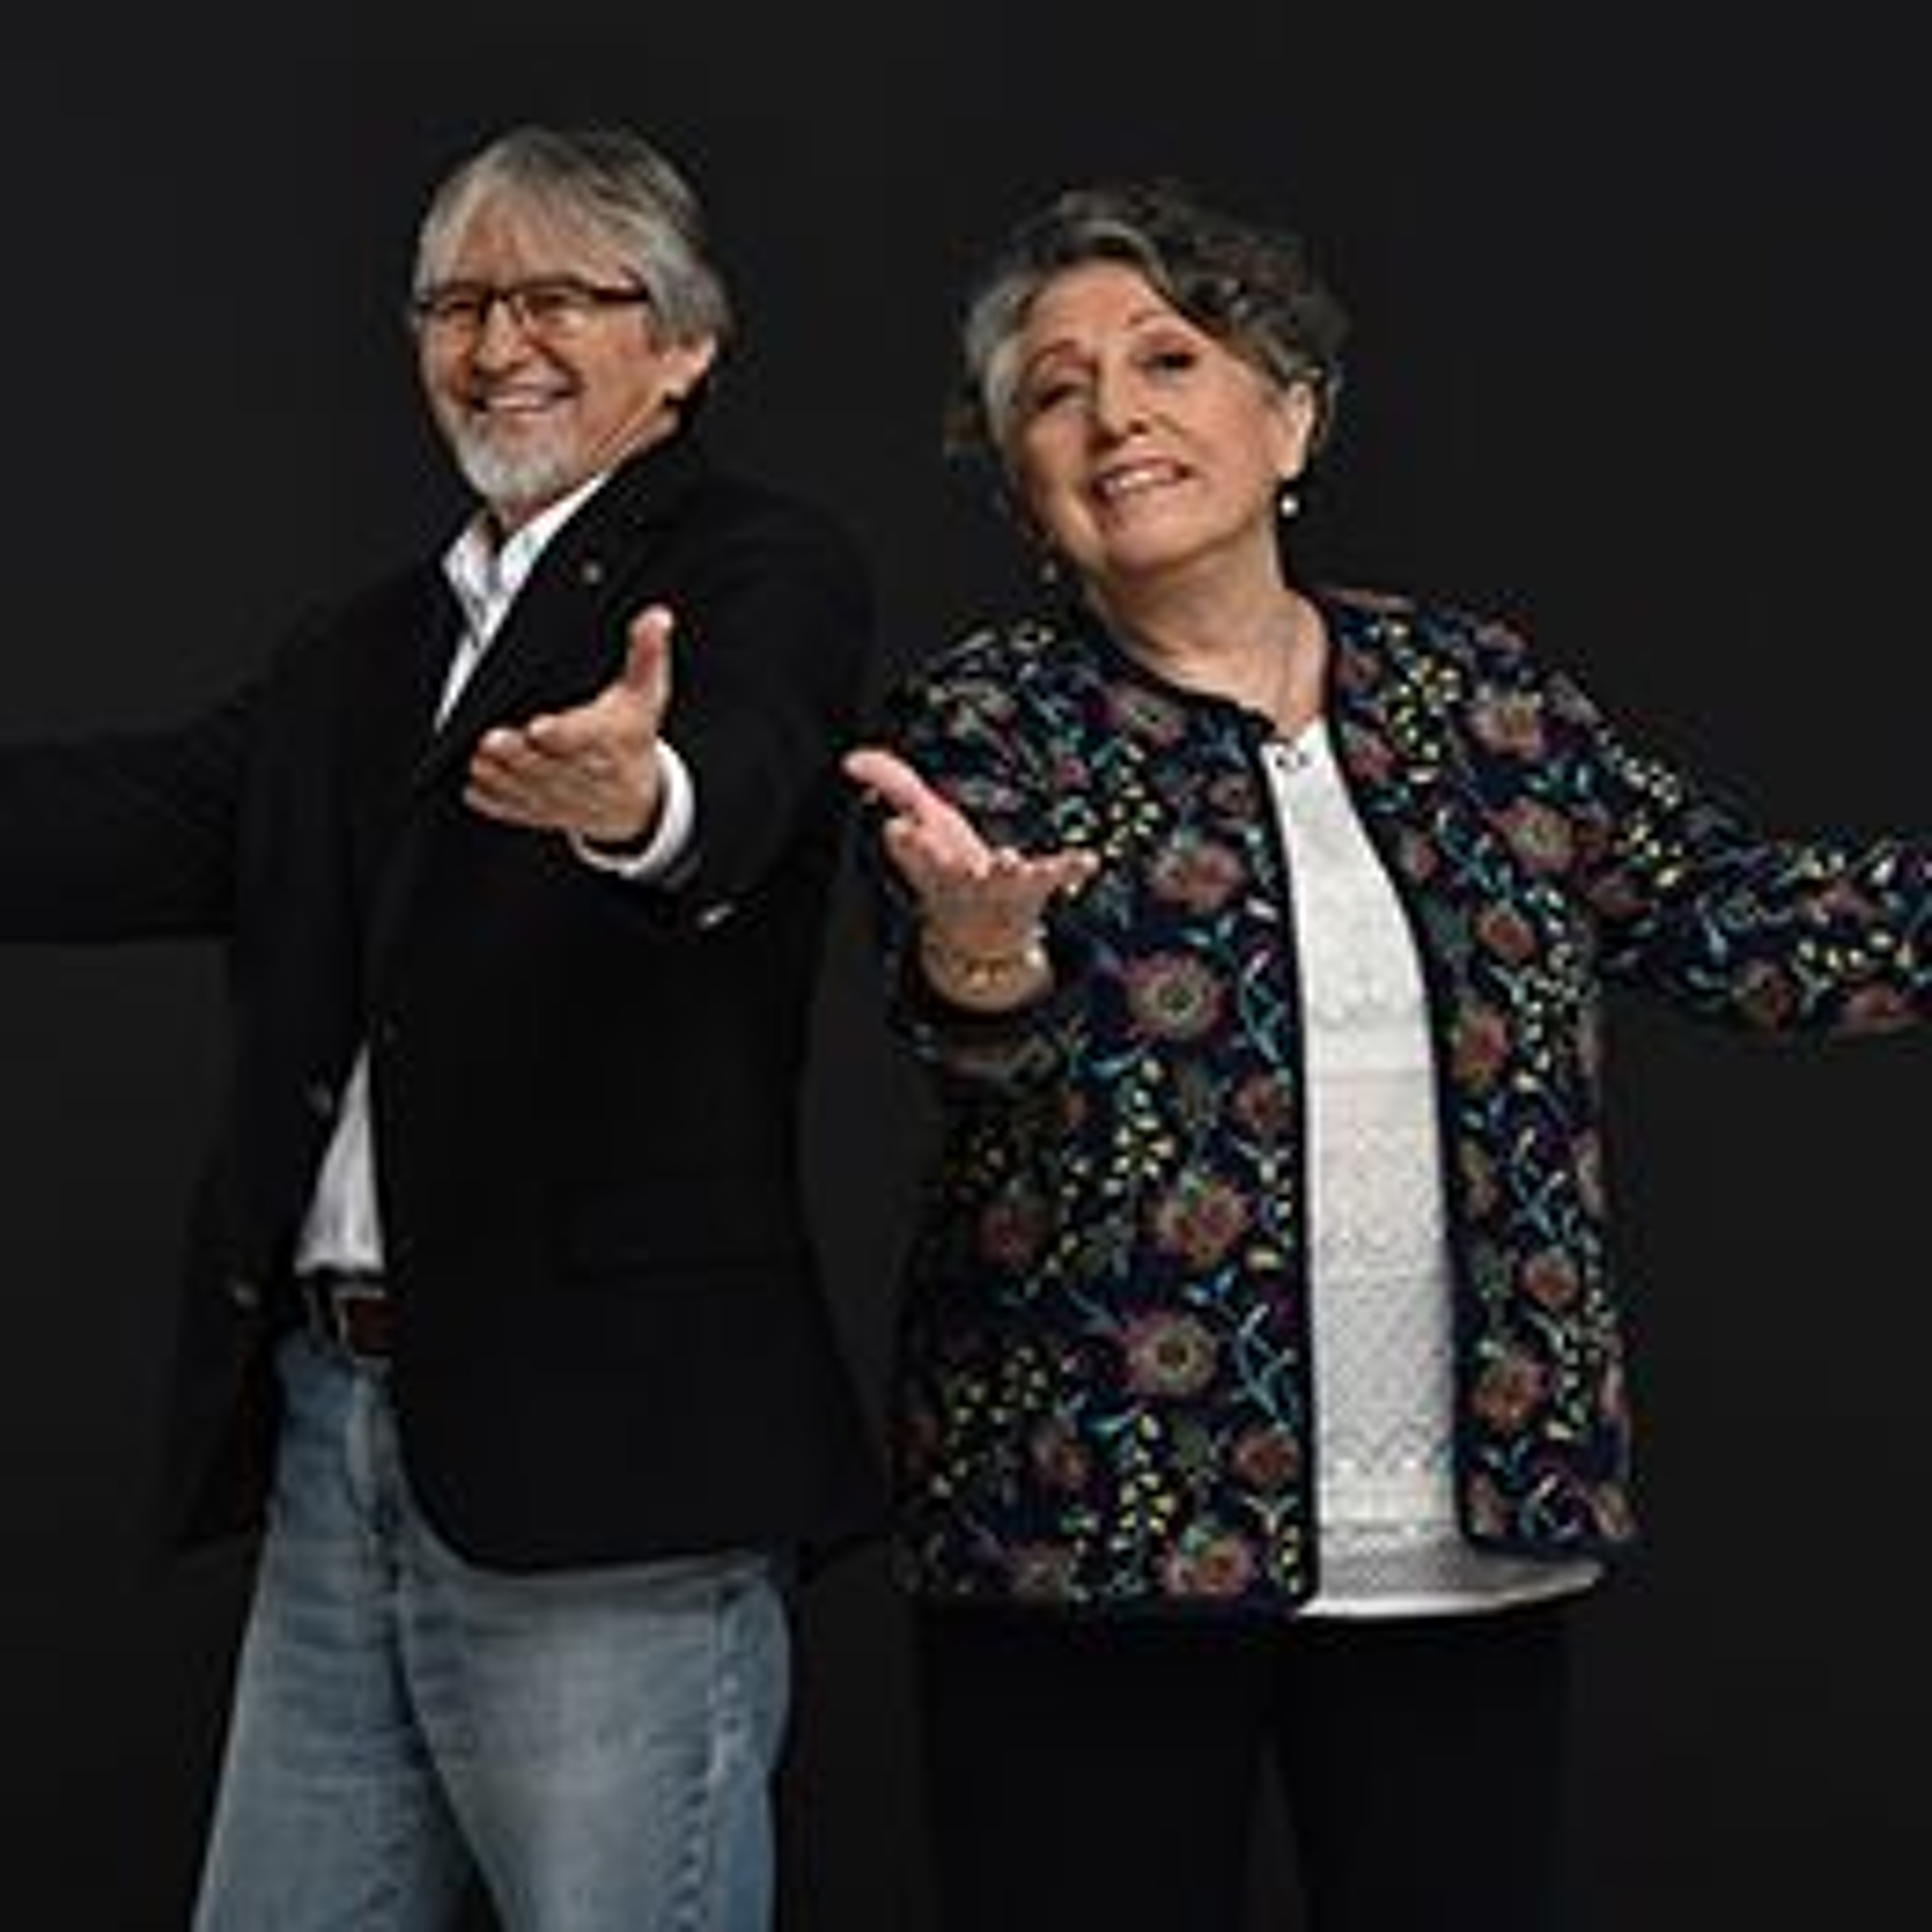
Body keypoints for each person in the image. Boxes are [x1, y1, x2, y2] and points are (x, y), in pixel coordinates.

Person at [842, 177, 1928, 1932]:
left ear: (1291, 417)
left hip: (1459, 1546)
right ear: (1025, 489)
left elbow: (1737, 923)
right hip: (1088, 1534)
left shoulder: (1479, 700)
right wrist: (982, 954)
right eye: (1053, 391)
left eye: (1169, 360)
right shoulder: (985, 720)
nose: (1114, 414)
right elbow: (976, 1027)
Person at [0, 123, 880, 1929]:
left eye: (559, 298)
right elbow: (131, 822)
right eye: (458, 305)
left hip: (609, 1457)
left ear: (684, 346)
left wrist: (641, 802)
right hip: (337, 1434)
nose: (498, 345)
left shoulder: (756, 567)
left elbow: (747, 775)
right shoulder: (359, 653)